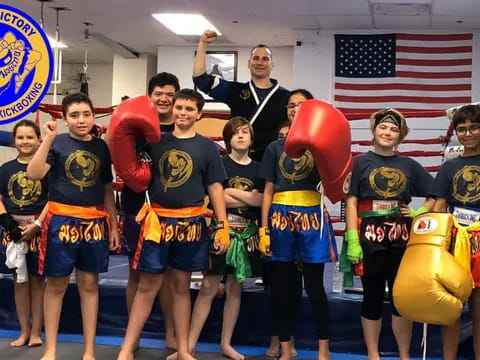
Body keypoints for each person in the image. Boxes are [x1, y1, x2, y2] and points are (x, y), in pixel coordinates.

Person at [116, 89, 229, 360]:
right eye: (179, 107)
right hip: (157, 221)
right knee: (147, 285)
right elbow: (127, 161)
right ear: (172, 109)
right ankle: (126, 348)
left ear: (199, 115)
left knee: (181, 287)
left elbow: (214, 187)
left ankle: (182, 350)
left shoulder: (207, 148)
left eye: (189, 109)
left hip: (190, 223)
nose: (182, 112)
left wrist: (223, 224)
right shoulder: (156, 141)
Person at [26, 92, 120, 360]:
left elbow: (107, 188)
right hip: (61, 221)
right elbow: (33, 174)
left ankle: (89, 350)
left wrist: (113, 224)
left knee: (90, 284)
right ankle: (51, 348)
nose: (81, 120)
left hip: (94, 222)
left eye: (86, 114)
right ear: (65, 119)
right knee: (56, 284)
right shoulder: (57, 143)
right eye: (75, 115)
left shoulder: (101, 147)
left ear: (93, 116)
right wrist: (48, 141)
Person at [344, 108, 435, 360]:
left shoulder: (408, 165)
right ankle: (374, 354)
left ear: (400, 136)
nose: (387, 132)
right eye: (383, 127)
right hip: (368, 238)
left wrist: (419, 213)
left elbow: (436, 192)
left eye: (394, 129)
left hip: (401, 239)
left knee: (400, 299)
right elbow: (350, 201)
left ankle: (404, 355)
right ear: (374, 130)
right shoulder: (359, 162)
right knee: (371, 297)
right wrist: (352, 238)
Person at [258, 89, 337, 360]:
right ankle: (285, 347)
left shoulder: (320, 144)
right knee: (282, 288)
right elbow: (268, 190)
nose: (294, 109)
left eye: (300, 105)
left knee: (315, 287)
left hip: (311, 216)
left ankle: (323, 349)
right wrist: (263, 229)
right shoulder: (274, 147)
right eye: (291, 105)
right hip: (279, 217)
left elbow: (334, 183)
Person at [187, 116, 263, 360]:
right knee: (209, 285)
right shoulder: (219, 163)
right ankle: (188, 345)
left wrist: (229, 191)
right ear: (228, 138)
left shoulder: (259, 167)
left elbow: (260, 200)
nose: (240, 136)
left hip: (247, 232)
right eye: (235, 132)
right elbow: (214, 199)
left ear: (252, 138)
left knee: (235, 287)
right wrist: (244, 196)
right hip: (222, 230)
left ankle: (226, 343)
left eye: (245, 132)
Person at [119, 72, 180, 350]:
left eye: (170, 93)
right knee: (135, 273)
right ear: (150, 96)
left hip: (170, 211)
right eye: (159, 93)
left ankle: (171, 333)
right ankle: (133, 338)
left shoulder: (181, 132)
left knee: (166, 274)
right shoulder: (133, 131)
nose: (164, 98)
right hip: (138, 208)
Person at [430, 104, 480, 360]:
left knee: (479, 311)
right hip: (454, 239)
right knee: (451, 309)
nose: (468, 133)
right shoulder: (450, 166)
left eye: (474, 127)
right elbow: (438, 204)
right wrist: (430, 245)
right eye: (462, 129)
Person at [193, 30, 289, 161]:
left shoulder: (286, 97)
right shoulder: (235, 90)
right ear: (249, 63)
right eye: (256, 58)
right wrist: (203, 44)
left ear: (272, 65)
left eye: (265, 59)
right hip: (239, 159)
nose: (260, 63)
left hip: (272, 161)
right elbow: (200, 80)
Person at [0, 119, 47, 348]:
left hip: (39, 230)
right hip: (14, 233)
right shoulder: (6, 169)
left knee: (38, 282)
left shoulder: (47, 167)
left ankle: (36, 331)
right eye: (20, 137)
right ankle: (24, 331)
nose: (25, 141)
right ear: (14, 141)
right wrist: (8, 224)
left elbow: (55, 197)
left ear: (39, 140)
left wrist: (38, 223)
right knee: (20, 283)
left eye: (30, 137)